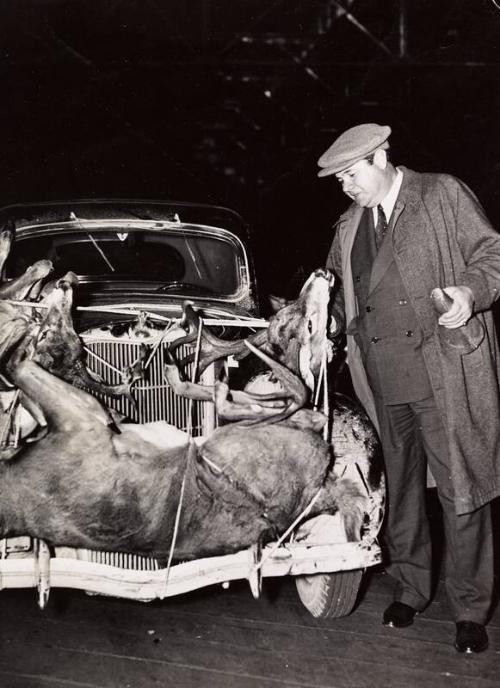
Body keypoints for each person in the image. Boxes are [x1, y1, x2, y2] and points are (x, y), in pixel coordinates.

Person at [317, 122, 500, 653]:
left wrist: (470, 292)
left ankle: (470, 608)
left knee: (461, 490)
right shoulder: (348, 226)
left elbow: (492, 253)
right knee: (399, 492)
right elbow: (335, 290)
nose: (346, 187)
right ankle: (412, 587)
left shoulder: (441, 194)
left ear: (380, 157)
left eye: (351, 175)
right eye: (339, 181)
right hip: (381, 381)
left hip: (443, 376)